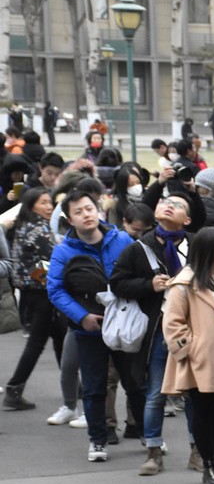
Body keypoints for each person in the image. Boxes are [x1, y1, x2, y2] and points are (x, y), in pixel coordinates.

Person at [46, 191, 141, 462]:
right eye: (78, 211)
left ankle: (149, 435)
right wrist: (82, 317)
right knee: (94, 387)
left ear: (98, 210)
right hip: (89, 330)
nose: (86, 215)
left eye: (89, 208)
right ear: (68, 219)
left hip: (125, 324)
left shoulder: (121, 239)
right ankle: (98, 440)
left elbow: (141, 273)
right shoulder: (64, 250)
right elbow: (55, 290)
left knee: (135, 383)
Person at [110, 190, 194, 476]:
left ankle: (199, 451)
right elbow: (117, 283)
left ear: (188, 218)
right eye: (165, 202)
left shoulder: (195, 245)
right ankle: (153, 451)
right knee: (156, 391)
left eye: (177, 205)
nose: (169, 206)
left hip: (192, 328)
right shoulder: (138, 248)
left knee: (193, 391)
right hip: (158, 329)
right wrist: (149, 285)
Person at [160, 228, 214, 484]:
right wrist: (193, 348)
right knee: (204, 410)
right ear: (208, 249)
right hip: (201, 358)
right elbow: (172, 325)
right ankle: (209, 464)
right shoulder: (184, 283)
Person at [4, 188, 64, 411]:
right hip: (42, 292)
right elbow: (54, 260)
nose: (49, 207)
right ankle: (14, 389)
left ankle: (72, 385)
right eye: (43, 202)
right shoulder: (39, 229)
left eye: (50, 202)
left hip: (31, 292)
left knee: (59, 335)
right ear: (31, 206)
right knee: (37, 343)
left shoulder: (24, 226)